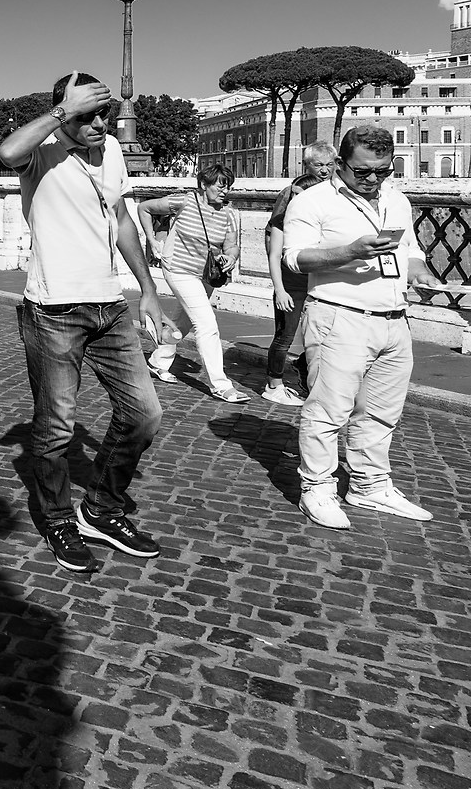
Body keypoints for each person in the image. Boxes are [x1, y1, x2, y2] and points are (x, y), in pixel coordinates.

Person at [0, 73, 174, 574]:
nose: (99, 124)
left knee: (144, 414)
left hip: (110, 305)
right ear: (66, 111)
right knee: (55, 429)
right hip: (53, 309)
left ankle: (100, 508)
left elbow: (122, 219)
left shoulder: (113, 149)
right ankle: (58, 520)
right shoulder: (41, 151)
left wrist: (148, 290)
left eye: (104, 114)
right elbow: (7, 152)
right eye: (87, 114)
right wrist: (62, 111)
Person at [283, 126, 438, 529]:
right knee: (327, 410)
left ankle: (369, 485)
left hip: (394, 319)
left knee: (382, 412)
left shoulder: (397, 199)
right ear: (340, 163)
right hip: (339, 316)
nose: (373, 180)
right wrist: (349, 252)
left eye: (383, 171)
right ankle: (316, 488)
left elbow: (409, 248)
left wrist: (420, 272)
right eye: (363, 171)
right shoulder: (313, 201)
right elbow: (295, 258)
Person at [139, 163, 249, 404]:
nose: (225, 191)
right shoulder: (185, 201)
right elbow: (144, 208)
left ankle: (158, 360)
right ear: (203, 185)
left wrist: (230, 257)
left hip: (206, 274)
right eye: (220, 186)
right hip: (178, 268)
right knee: (207, 324)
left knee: (185, 321)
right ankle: (221, 385)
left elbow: (232, 245)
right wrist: (151, 239)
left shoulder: (229, 214)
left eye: (228, 187)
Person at [259, 141, 335, 408]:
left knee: (325, 335)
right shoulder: (289, 199)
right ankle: (274, 384)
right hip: (292, 278)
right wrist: (278, 286)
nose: (325, 170)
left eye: (329, 165)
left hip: (320, 279)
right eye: (319, 165)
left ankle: (304, 368)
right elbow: (272, 244)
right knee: (286, 334)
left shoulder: (335, 195)